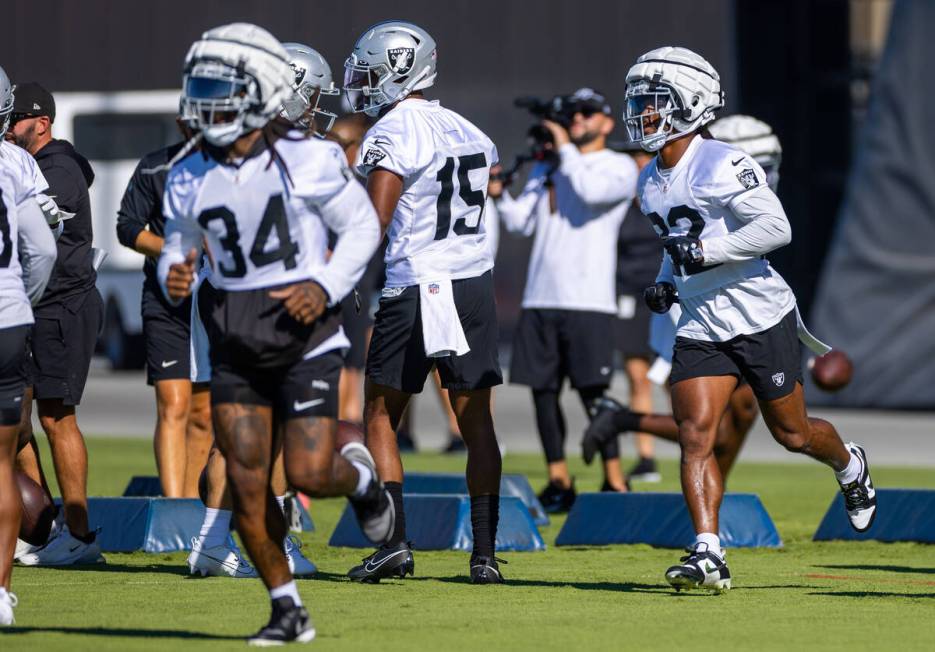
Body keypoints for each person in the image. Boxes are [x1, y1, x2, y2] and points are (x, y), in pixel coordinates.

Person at [158, 23, 393, 644]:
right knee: (246, 484)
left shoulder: (307, 156)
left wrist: (325, 284)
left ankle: (365, 485)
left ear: (261, 91)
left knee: (312, 471)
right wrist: (172, 270)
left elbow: (363, 229)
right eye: (199, 86)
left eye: (219, 87)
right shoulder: (187, 172)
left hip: (304, 332)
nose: (204, 101)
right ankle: (286, 606)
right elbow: (178, 244)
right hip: (236, 334)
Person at [622, 46, 876, 592]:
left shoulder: (723, 161)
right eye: (639, 102)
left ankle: (850, 464)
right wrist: (669, 280)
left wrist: (704, 256)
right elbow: (677, 243)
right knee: (696, 435)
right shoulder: (649, 179)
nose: (641, 113)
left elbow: (776, 230)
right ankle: (708, 552)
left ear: (690, 103)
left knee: (793, 433)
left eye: (653, 102)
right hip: (701, 320)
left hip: (758, 312)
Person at [343, 20, 504, 583]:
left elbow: (374, 220)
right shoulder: (469, 128)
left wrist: (339, 277)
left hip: (417, 282)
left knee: (381, 414)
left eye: (369, 73)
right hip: (472, 281)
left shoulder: (392, 132)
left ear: (397, 71)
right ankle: (484, 555)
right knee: (476, 420)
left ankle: (393, 544)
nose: (361, 85)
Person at [584, 115, 784, 482]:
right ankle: (627, 424)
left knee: (741, 415)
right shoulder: (682, 177)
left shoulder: (730, 182)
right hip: (696, 305)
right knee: (706, 425)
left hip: (732, 301)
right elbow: (681, 242)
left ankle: (710, 496)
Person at [494, 88, 638, 511]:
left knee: (594, 395)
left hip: (588, 300)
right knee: (542, 393)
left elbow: (591, 193)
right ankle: (559, 479)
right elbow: (521, 222)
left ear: (607, 123)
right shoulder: (551, 166)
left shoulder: (617, 166)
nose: (578, 120)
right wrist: (500, 193)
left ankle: (614, 481)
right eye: (574, 114)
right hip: (541, 298)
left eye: (588, 113)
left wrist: (561, 148)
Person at [5, 82, 104, 566]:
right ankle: (42, 526)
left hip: (62, 304)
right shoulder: (27, 163)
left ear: (40, 123)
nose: (6, 129)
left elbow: (47, 225)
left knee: (56, 417)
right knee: (17, 422)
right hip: (32, 307)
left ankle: (80, 536)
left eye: (13, 120)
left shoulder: (58, 166)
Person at [115, 115, 212, 499]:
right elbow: (127, 226)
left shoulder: (234, 169)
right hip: (165, 300)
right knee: (174, 404)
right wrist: (174, 252)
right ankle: (176, 508)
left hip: (213, 303)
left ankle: (199, 510)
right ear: (180, 124)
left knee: (205, 412)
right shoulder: (156, 166)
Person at [0, 69, 58, 626]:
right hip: (12, 317)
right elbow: (42, 246)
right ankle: (0, 592)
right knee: (1, 460)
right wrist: (22, 297)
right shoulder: (17, 162)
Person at [611, 143, 662, 482]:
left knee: (674, 378)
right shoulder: (617, 204)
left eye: (642, 157)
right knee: (637, 377)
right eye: (632, 159)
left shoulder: (665, 197)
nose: (637, 163)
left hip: (665, 297)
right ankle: (646, 457)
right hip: (629, 297)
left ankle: (697, 444)